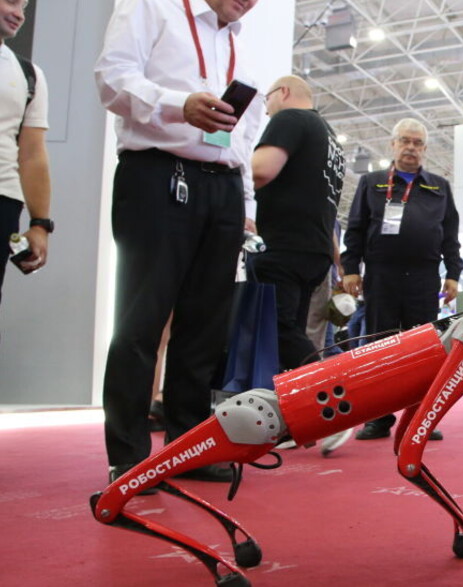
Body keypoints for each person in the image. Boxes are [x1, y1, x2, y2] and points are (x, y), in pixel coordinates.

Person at [95, 0, 264, 486]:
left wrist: (246, 206)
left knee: (205, 327)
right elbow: (111, 78)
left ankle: (188, 446)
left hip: (225, 188)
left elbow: (244, 139)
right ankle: (128, 455)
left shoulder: (238, 46)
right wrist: (179, 104)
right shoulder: (153, 8)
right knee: (141, 320)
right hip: (157, 175)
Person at [341, 117, 461, 440]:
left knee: (426, 349)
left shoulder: (440, 186)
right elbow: (355, 229)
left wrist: (453, 274)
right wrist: (350, 267)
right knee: (378, 345)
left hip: (425, 278)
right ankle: (378, 418)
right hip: (381, 275)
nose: (411, 148)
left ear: (425, 149)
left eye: (417, 143)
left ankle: (421, 418)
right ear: (393, 145)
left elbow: (450, 235)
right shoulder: (372, 182)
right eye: (405, 141)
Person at [250, 74, 345, 371]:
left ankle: (326, 387)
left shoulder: (290, 118)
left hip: (284, 245)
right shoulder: (329, 137)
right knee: (292, 329)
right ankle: (304, 404)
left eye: (267, 100)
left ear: (283, 92)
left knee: (276, 328)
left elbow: (262, 171)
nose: (267, 110)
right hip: (314, 250)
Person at [0, 0, 53, 318]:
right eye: (11, 1)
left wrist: (39, 224)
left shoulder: (28, 74)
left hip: (3, 200)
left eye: (25, 5)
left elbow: (32, 154)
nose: (20, 14)